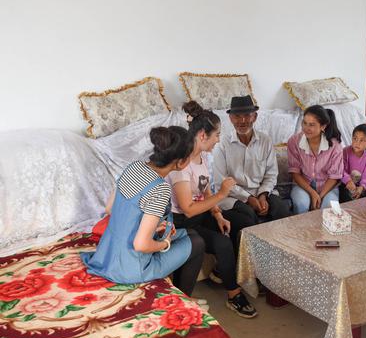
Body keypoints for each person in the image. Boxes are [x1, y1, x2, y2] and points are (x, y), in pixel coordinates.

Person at [81, 126, 205, 297]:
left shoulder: (134, 167)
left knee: (188, 234)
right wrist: (165, 243)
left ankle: (177, 291)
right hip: (131, 267)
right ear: (180, 162)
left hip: (106, 254)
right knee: (197, 243)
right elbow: (141, 245)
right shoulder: (160, 189)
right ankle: (183, 297)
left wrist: (153, 227)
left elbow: (110, 208)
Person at [167, 101, 257, 319]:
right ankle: (234, 295)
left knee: (239, 222)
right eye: (216, 135)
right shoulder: (182, 165)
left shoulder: (202, 157)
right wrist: (222, 194)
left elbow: (205, 189)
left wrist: (218, 214)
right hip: (183, 221)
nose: (218, 140)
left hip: (201, 214)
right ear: (201, 136)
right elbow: (188, 210)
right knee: (222, 242)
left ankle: (237, 274)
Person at [213, 95, 291, 251]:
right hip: (233, 196)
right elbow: (222, 181)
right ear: (230, 118)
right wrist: (248, 198)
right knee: (247, 217)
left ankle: (283, 256)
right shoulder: (222, 145)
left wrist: (262, 195)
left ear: (255, 116)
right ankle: (248, 266)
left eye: (247, 115)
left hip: (262, 192)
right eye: (237, 116)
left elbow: (271, 174)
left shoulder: (265, 141)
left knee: (282, 210)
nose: (242, 121)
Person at [287, 105, 344, 214]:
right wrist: (312, 193)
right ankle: (302, 231)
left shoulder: (335, 146)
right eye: (304, 123)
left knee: (329, 207)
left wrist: (320, 196)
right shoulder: (294, 141)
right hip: (303, 185)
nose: (306, 128)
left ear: (323, 126)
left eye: (312, 125)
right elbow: (295, 172)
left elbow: (334, 177)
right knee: (301, 203)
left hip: (327, 186)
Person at [339, 124, 366, 202]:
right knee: (347, 197)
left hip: (360, 187)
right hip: (345, 184)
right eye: (355, 138)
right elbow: (340, 170)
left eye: (362, 140)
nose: (357, 143)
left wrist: (362, 187)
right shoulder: (345, 151)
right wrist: (348, 181)